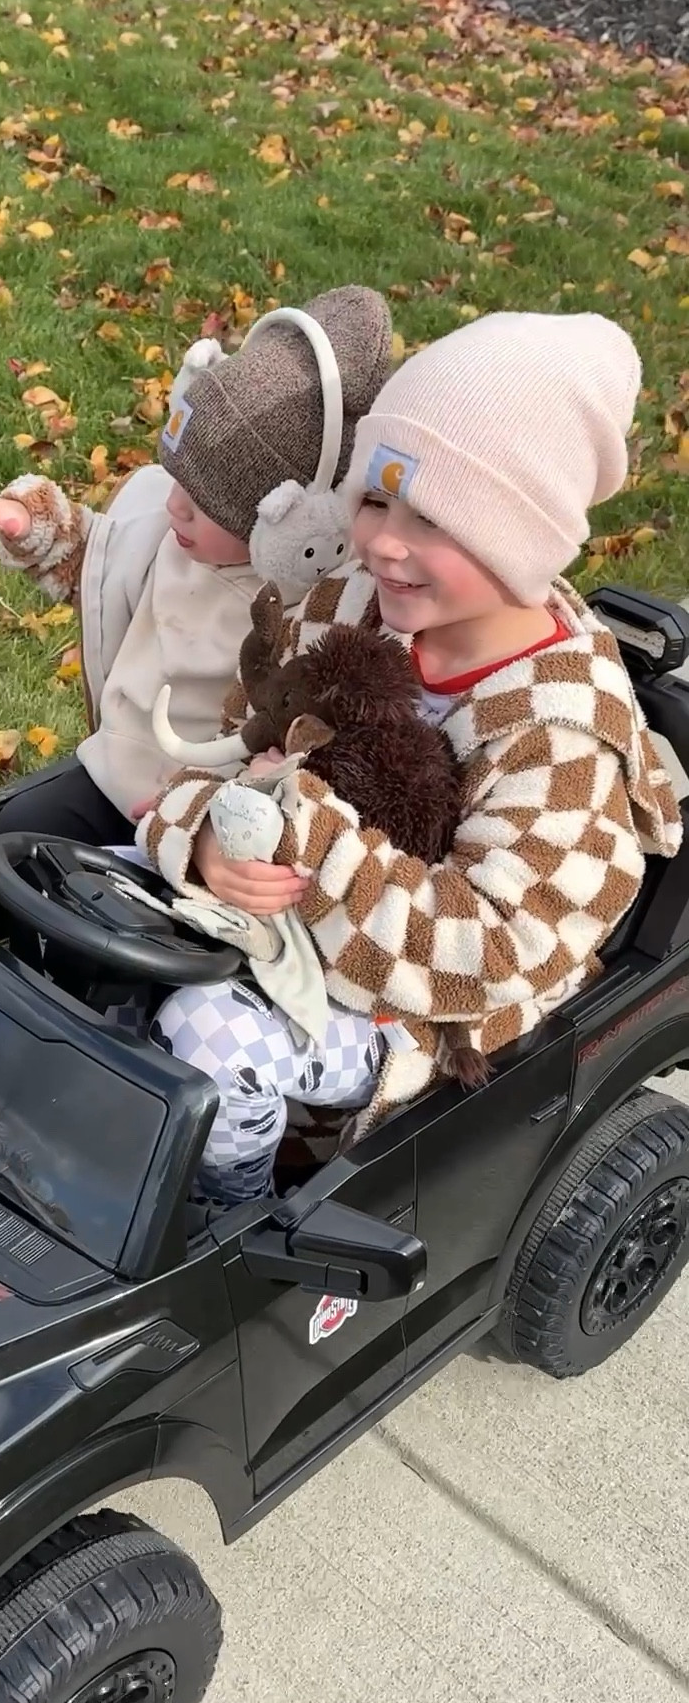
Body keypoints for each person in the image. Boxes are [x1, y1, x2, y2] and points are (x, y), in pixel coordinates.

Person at [136, 311, 684, 1205]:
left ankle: (228, 1216)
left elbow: (489, 951)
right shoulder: (347, 603)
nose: (384, 540)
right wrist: (201, 836)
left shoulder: (565, 732)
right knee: (95, 905)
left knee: (209, 1037)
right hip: (281, 921)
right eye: (376, 498)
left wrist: (301, 841)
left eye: (432, 518)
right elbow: (241, 746)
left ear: (522, 539)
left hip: (430, 1016)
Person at [0, 287, 394, 845]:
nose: (175, 504)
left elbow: (307, 734)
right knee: (19, 836)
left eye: (202, 504)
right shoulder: (166, 534)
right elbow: (95, 559)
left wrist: (224, 800)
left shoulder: (312, 612)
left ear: (292, 528)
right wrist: (25, 523)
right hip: (114, 773)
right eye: (177, 481)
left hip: (216, 817)